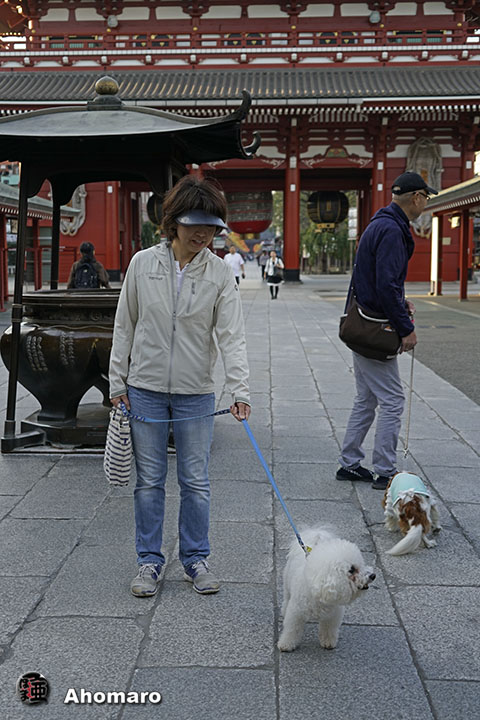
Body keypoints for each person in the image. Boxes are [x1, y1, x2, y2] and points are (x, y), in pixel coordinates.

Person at [109, 175, 251, 598]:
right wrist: (117, 381)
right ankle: (149, 561)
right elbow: (124, 325)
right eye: (194, 224)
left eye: (211, 226)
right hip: (145, 388)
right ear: (173, 222)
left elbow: (232, 335)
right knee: (149, 481)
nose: (203, 234)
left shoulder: (219, 272)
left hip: (196, 391)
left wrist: (239, 390)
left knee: (196, 481)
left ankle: (195, 558)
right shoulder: (141, 264)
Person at [336, 171, 438, 491]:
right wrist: (406, 328)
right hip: (375, 330)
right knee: (392, 400)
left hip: (361, 323)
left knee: (366, 399)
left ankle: (350, 462)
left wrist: (399, 302)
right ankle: (384, 470)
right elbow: (386, 284)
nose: (425, 203)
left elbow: (375, 281)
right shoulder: (393, 230)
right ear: (416, 198)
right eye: (425, 197)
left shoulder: (379, 223)